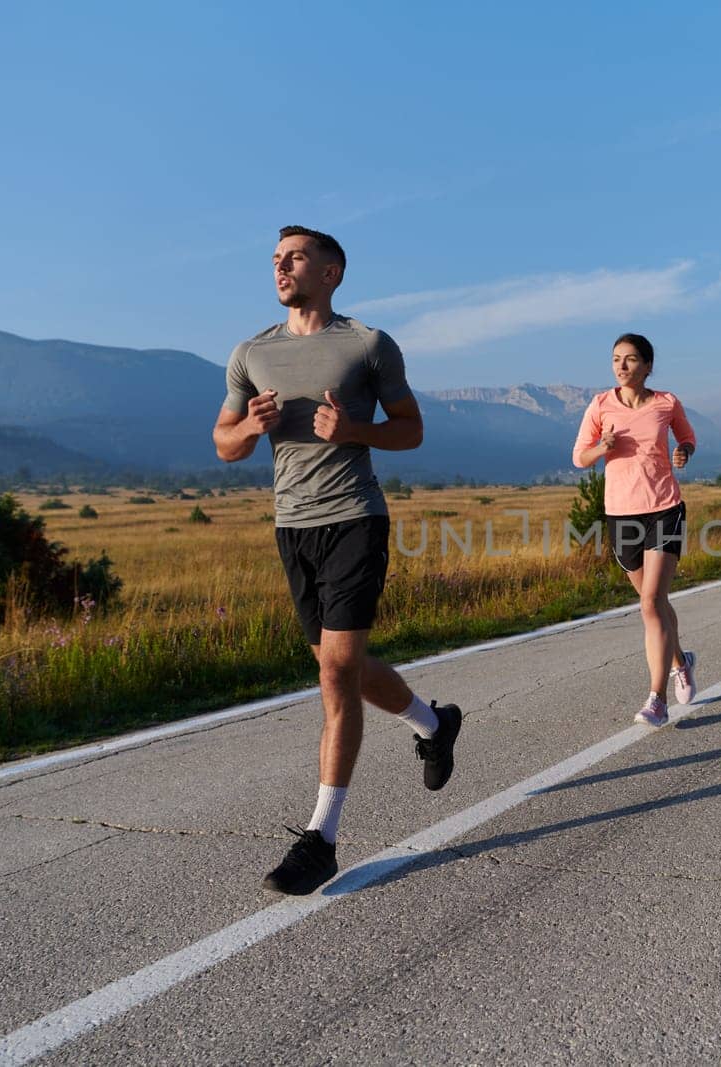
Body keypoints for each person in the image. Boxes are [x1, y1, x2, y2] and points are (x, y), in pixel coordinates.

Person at [214, 225, 463, 896]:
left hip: (355, 515)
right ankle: (434, 724)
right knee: (336, 667)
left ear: (332, 271)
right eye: (275, 259)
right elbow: (223, 444)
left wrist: (354, 430)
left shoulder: (367, 344)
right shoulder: (250, 353)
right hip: (293, 527)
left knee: (338, 669)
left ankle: (321, 837)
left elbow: (410, 428)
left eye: (295, 257)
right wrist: (250, 427)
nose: (281, 267)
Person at [572, 333, 699, 727]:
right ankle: (681, 661)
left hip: (664, 508)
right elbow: (580, 457)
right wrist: (602, 447)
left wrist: (684, 451)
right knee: (654, 604)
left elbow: (688, 437)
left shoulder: (667, 403)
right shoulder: (600, 405)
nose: (621, 366)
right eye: (615, 360)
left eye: (629, 360)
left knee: (649, 603)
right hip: (621, 514)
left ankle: (656, 699)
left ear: (647, 365)